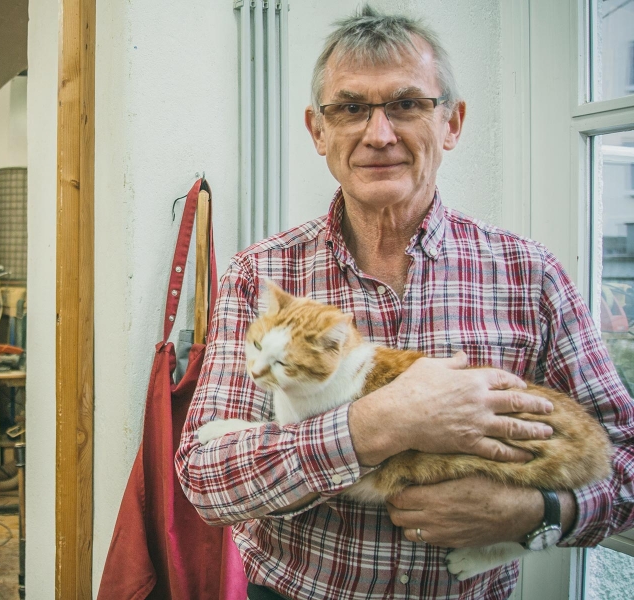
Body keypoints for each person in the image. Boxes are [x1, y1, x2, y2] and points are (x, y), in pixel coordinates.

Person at [175, 4, 634, 599]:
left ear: (453, 123)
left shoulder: (530, 275)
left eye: (407, 104)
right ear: (318, 130)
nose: (379, 133)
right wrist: (378, 424)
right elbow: (206, 480)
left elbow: (623, 458)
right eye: (350, 109)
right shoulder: (262, 273)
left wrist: (536, 511)